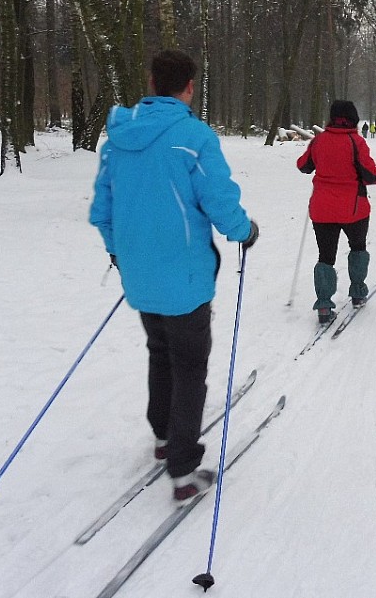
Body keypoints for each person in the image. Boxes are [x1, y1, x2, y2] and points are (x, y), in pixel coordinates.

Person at [89, 49, 259, 503]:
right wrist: (245, 231)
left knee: (159, 350)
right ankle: (183, 470)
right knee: (187, 363)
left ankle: (165, 437)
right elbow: (219, 200)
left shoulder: (118, 138)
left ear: (150, 82)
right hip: (184, 275)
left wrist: (118, 252)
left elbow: (102, 211)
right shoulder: (193, 137)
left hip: (140, 274)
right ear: (188, 88)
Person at [297, 100, 376, 324]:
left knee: (326, 256)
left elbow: (303, 165)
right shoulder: (356, 142)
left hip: (321, 209)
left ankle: (323, 305)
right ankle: (358, 292)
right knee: (358, 248)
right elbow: (371, 176)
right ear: (354, 118)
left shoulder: (318, 140)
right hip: (354, 209)